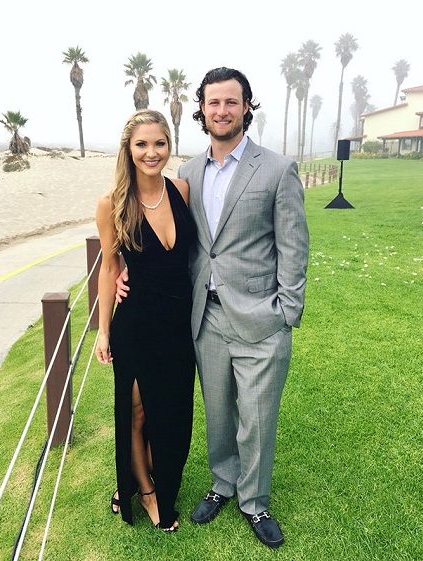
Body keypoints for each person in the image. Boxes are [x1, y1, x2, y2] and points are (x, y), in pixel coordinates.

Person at [116, 67, 309, 548]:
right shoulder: (186, 175)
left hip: (261, 317)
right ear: (201, 109)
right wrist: (125, 273)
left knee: (258, 417)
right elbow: (172, 241)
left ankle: (255, 500)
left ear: (247, 107)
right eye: (213, 103)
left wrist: (286, 310)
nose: (221, 111)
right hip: (203, 318)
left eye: (231, 102)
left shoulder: (277, 169)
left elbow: (294, 246)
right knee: (219, 414)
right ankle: (223, 484)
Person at [95, 109, 196, 533]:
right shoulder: (112, 204)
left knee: (172, 414)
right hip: (136, 324)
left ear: (168, 146)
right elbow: (108, 267)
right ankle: (146, 491)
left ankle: (134, 477)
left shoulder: (182, 190)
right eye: (142, 144)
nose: (151, 152)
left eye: (159, 143)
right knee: (136, 414)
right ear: (128, 149)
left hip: (178, 326)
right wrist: (102, 329)